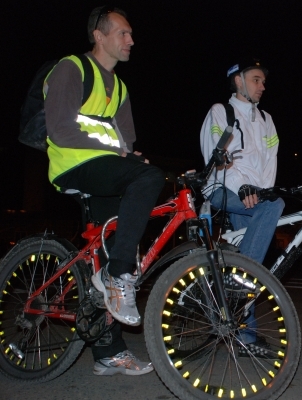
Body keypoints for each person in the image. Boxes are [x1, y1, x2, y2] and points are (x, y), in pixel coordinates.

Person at [44, 5, 164, 375]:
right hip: (74, 165)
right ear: (99, 36)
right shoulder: (72, 68)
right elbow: (60, 129)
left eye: (131, 34)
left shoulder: (120, 88)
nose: (131, 40)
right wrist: (120, 155)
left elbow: (125, 141)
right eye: (123, 33)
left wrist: (131, 156)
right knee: (149, 179)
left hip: (103, 167)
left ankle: (108, 353)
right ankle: (117, 274)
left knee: (109, 246)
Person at [199, 58, 284, 355]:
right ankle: (237, 284)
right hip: (224, 189)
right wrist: (243, 187)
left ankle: (244, 336)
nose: (262, 86)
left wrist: (261, 192)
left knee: (250, 254)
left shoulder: (266, 119)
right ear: (238, 81)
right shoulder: (221, 111)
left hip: (253, 198)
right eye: (256, 80)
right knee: (273, 210)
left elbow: (270, 161)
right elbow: (216, 156)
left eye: (263, 81)